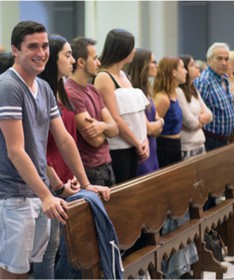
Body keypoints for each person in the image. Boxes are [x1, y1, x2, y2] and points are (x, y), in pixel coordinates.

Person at [0, 20, 108, 279]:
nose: (41, 53)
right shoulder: (8, 87)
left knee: (27, 271)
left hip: (35, 192)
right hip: (12, 196)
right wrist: (45, 195)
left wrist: (86, 184)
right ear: (15, 50)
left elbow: (64, 139)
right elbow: (16, 150)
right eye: (32, 47)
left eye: (44, 46)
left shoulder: (42, 87)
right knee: (11, 272)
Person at [93, 29, 149, 184]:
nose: (134, 50)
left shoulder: (124, 75)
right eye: (132, 46)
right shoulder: (104, 77)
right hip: (120, 147)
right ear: (122, 49)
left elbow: (137, 111)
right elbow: (114, 117)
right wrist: (137, 143)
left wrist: (144, 140)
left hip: (135, 144)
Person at [66, 36, 119, 185]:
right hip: (90, 170)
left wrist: (102, 126)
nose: (99, 63)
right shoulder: (70, 92)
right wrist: (108, 128)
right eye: (95, 58)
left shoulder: (93, 89)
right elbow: (94, 140)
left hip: (107, 164)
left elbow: (115, 129)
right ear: (81, 62)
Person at [124, 48, 163, 176]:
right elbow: (151, 128)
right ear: (143, 65)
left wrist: (159, 123)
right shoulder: (135, 91)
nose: (156, 65)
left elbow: (158, 124)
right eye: (153, 62)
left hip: (153, 148)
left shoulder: (148, 91)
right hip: (143, 150)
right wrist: (160, 123)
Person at [194, 42, 234, 151]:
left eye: (226, 59)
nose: (224, 63)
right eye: (219, 59)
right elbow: (197, 113)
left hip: (224, 139)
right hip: (211, 140)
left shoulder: (224, 78)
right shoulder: (204, 82)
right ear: (209, 60)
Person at [153, 56, 186, 167]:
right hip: (165, 148)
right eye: (182, 68)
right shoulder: (163, 98)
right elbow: (155, 129)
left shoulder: (175, 93)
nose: (185, 71)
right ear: (174, 72)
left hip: (175, 145)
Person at [178, 55, 213, 160]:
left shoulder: (194, 90)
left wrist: (197, 120)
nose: (197, 66)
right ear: (184, 70)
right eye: (192, 65)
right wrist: (201, 120)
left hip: (200, 143)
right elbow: (190, 123)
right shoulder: (178, 91)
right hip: (187, 145)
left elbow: (210, 115)